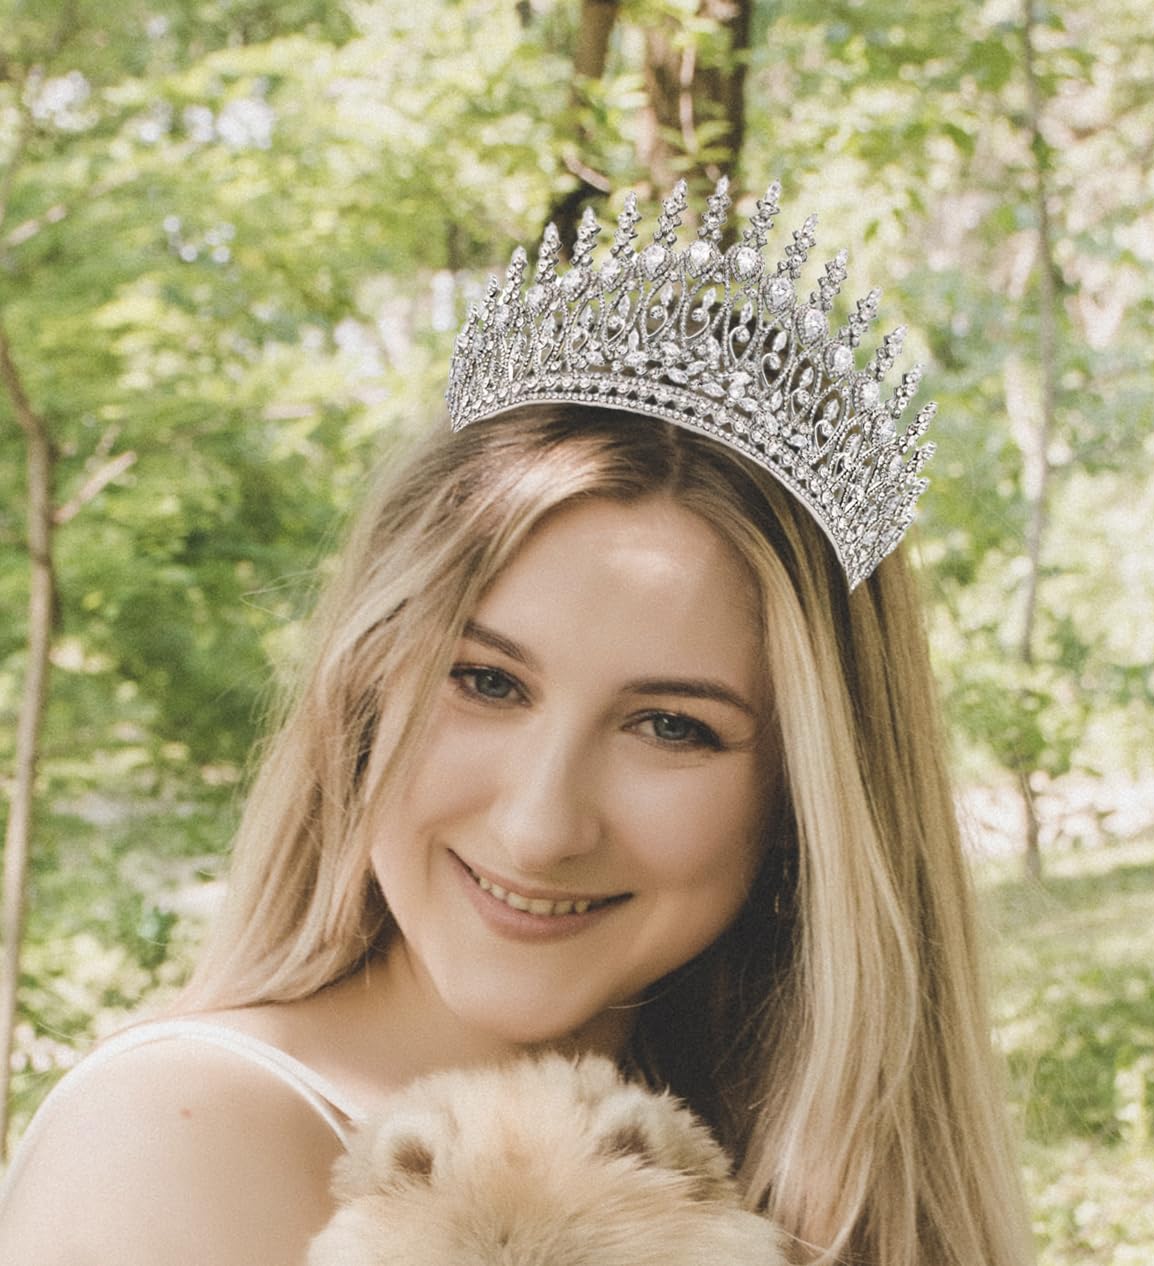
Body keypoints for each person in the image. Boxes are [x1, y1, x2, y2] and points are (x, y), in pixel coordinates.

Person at [0, 180, 1033, 1265]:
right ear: (367, 687)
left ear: (805, 800)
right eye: (488, 682)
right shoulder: (179, 1134)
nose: (542, 826)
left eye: (672, 726)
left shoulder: (808, 1170)